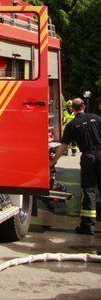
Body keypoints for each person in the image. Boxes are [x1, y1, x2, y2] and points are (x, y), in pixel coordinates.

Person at [50, 98, 101, 235]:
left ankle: (88, 226)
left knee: (89, 190)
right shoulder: (96, 118)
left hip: (88, 158)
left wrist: (53, 161)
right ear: (84, 106)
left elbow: (63, 146)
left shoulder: (72, 125)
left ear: (72, 108)